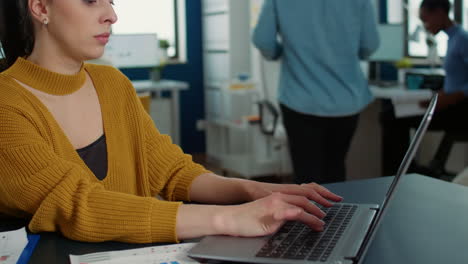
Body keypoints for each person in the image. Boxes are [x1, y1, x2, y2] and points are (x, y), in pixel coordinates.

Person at [0, 0, 343, 243]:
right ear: (41, 8)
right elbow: (80, 205)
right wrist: (228, 218)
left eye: (111, 1)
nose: (112, 15)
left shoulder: (112, 83)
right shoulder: (7, 102)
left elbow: (172, 172)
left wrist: (250, 190)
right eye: (91, 1)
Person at [252, 0, 380, 184]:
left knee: (306, 177)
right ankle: (339, 212)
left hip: (300, 99)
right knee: (335, 168)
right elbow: (370, 44)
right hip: (346, 100)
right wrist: (348, 54)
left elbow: (263, 39)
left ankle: (309, 212)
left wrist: (279, 53)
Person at [381, 0, 468, 176]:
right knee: (390, 113)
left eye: (425, 19)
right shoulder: (453, 38)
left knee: (390, 117)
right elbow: (456, 80)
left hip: (461, 111)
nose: (425, 26)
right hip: (450, 103)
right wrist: (438, 97)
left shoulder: (462, 39)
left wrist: (451, 97)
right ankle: (405, 170)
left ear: (440, 13)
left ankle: (401, 173)